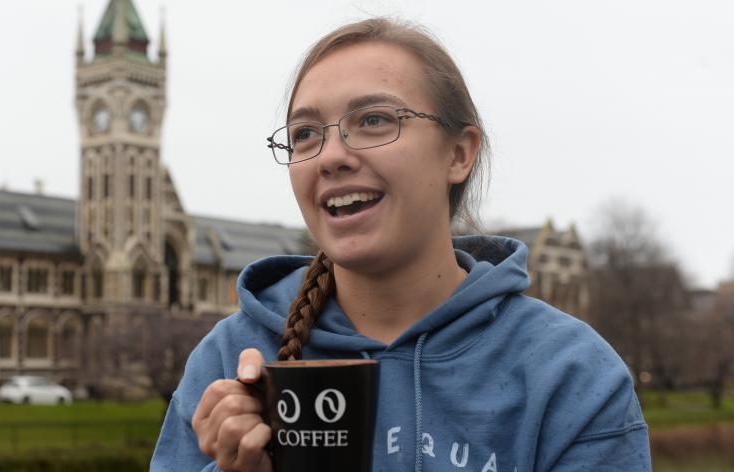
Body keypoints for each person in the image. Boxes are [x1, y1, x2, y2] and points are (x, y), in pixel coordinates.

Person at [151, 18, 650, 472]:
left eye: (373, 120)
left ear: (458, 154)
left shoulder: (570, 374)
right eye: (305, 134)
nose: (331, 156)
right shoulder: (228, 361)